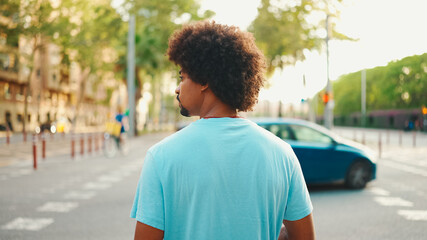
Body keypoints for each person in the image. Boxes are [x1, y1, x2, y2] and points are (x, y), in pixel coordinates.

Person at [131, 21, 315, 240]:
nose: (177, 87)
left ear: (204, 81)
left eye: (182, 77)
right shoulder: (282, 154)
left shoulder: (161, 157)